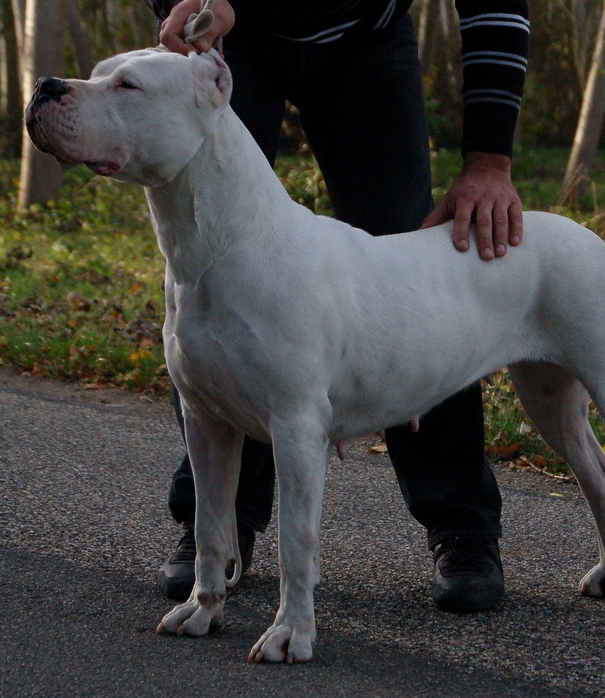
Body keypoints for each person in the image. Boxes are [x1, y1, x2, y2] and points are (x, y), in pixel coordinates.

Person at [146, 0, 530, 613]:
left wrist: (489, 159)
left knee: (414, 272)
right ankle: (216, 536)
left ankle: (462, 525)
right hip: (236, 29)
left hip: (365, 37)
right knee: (215, 263)